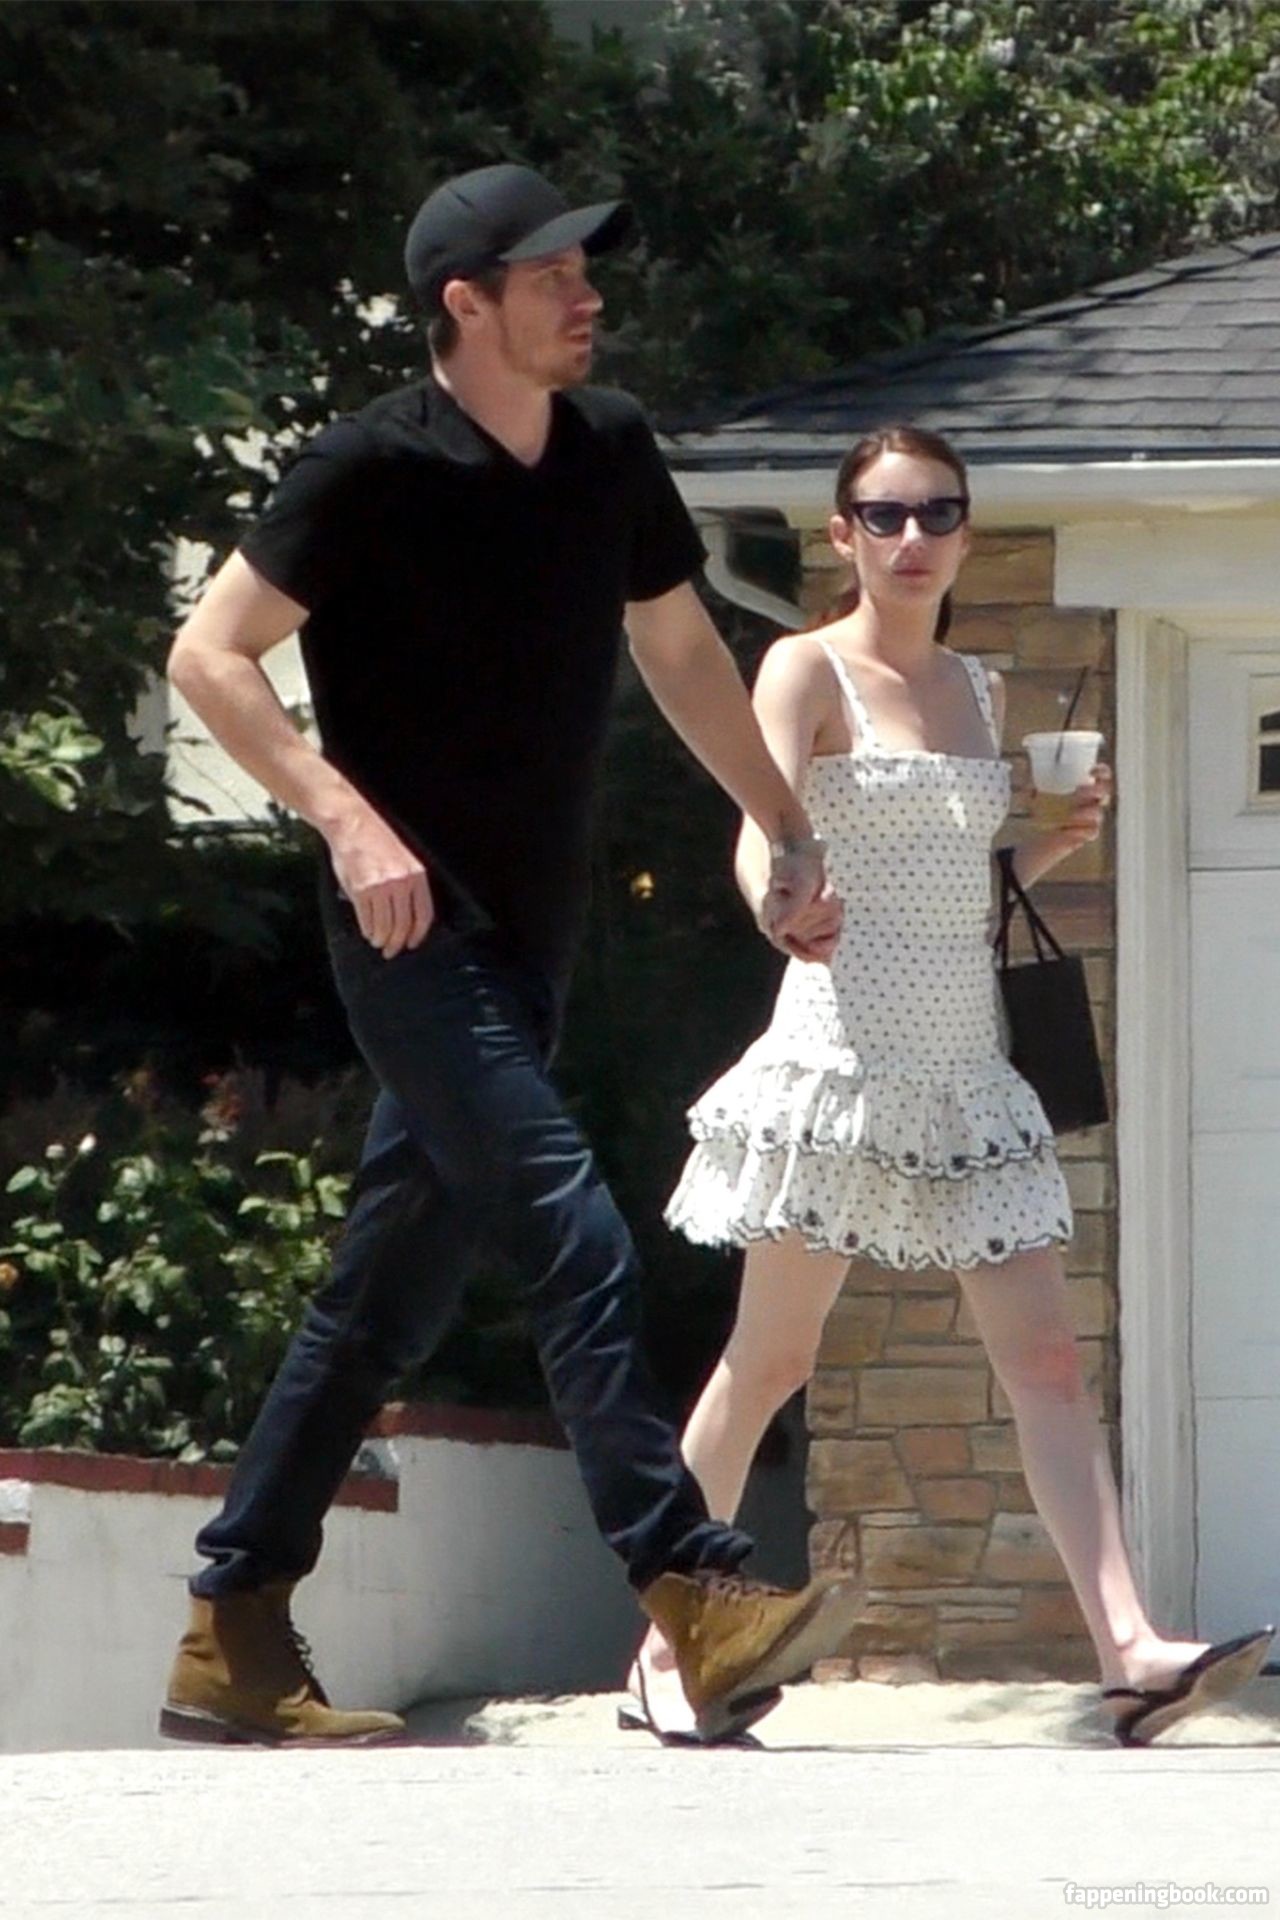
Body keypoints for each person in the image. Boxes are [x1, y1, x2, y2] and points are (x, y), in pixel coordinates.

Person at [158, 163, 863, 1749]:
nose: (587, 294)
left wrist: (781, 825)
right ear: (464, 303)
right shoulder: (367, 465)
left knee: (383, 1300)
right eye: (554, 274)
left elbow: (679, 648)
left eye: (585, 269)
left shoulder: (608, 449)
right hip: (412, 939)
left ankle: (232, 1629)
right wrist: (346, 819)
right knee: (571, 1229)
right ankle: (692, 1583)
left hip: (533, 944)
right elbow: (208, 653)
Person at [627, 424, 1273, 1746]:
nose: (912, 537)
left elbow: (959, 895)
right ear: (843, 535)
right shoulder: (805, 666)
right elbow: (761, 835)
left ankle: (1130, 1651)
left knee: (1048, 1361)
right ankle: (660, 1646)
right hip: (843, 1059)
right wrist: (780, 906)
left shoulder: (980, 688)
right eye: (884, 515)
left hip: (968, 1068)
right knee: (770, 1360)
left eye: (937, 512)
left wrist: (1050, 845)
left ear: (968, 532)